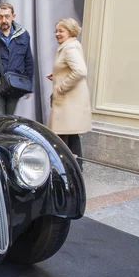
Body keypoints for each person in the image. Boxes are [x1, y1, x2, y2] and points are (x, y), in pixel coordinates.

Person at [47, 17, 91, 170]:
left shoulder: (70, 48)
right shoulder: (69, 46)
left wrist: (61, 87)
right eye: (56, 31)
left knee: (62, 138)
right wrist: (57, 75)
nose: (57, 34)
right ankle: (75, 169)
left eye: (61, 31)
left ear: (70, 32)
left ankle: (66, 170)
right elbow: (70, 69)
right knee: (71, 137)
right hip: (69, 102)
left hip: (68, 102)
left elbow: (80, 71)